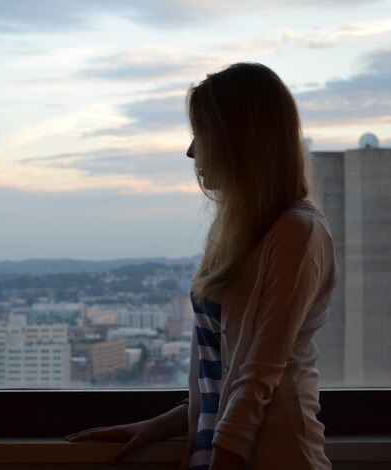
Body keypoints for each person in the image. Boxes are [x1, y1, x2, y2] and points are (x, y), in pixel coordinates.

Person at [65, 63, 336, 470]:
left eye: (201, 134)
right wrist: (156, 427)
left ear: (239, 138)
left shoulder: (298, 233)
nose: (192, 150)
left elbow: (258, 377)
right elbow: (224, 374)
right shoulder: (240, 234)